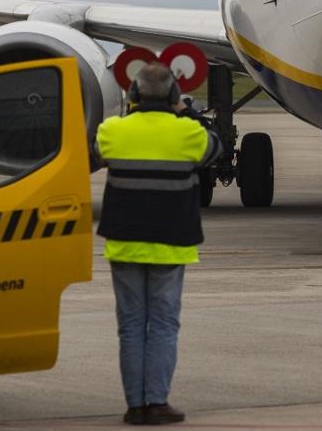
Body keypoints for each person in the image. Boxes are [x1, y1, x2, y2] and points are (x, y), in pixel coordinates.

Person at [96, 63, 222, 425]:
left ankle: (135, 406)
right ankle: (157, 401)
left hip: (125, 244)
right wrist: (187, 111)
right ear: (171, 95)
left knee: (131, 326)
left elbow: (96, 152)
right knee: (164, 325)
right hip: (170, 243)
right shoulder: (187, 133)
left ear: (133, 95)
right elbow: (214, 147)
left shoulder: (112, 131)